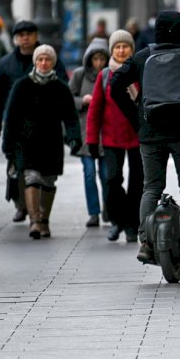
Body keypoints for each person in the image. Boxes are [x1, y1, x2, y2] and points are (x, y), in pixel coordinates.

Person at [110, 10, 180, 263]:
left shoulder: (141, 57)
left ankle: (145, 243)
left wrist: (136, 116)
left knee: (150, 188)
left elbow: (115, 84)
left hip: (150, 133)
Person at [1, 44, 81, 239]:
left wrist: (74, 138)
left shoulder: (60, 87)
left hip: (51, 142)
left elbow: (70, 116)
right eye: (40, 59)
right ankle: (35, 221)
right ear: (35, 62)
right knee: (32, 179)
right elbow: (11, 116)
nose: (43, 63)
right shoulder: (22, 85)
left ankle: (44, 220)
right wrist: (8, 144)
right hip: (26, 143)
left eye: (47, 59)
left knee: (48, 182)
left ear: (53, 62)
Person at [0, 20, 68, 223]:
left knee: (40, 168)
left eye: (29, 34)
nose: (25, 38)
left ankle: (38, 211)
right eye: (21, 35)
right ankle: (20, 205)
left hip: (45, 123)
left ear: (36, 36)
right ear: (16, 39)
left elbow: (62, 86)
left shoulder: (48, 58)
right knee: (16, 166)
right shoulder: (6, 63)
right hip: (15, 121)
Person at [86, 30, 143, 243]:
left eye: (125, 46)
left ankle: (132, 224)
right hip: (111, 138)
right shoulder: (104, 76)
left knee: (137, 182)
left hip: (137, 137)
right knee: (112, 180)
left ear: (131, 49)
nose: (121, 50)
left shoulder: (139, 71)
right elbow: (95, 110)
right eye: (117, 47)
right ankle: (117, 220)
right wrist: (92, 140)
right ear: (112, 50)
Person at [68, 37, 110, 227]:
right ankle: (94, 212)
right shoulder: (79, 75)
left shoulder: (110, 75)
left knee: (107, 174)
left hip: (107, 133)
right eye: (95, 59)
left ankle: (109, 210)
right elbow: (68, 99)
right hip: (86, 133)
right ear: (89, 59)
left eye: (102, 58)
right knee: (89, 173)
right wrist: (81, 101)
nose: (99, 63)